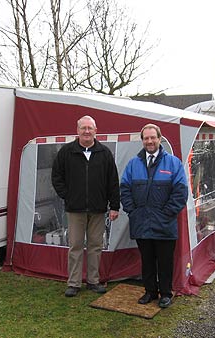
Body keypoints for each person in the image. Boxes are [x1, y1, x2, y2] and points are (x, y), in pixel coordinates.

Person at [120, 123, 188, 308]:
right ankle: (150, 291)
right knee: (147, 260)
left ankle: (165, 293)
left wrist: (167, 213)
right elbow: (125, 188)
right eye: (146, 138)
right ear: (142, 141)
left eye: (152, 137)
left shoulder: (173, 163)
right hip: (141, 222)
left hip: (164, 223)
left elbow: (181, 192)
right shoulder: (134, 164)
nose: (149, 141)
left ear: (159, 138)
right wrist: (132, 211)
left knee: (165, 262)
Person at [52, 115, 120, 297]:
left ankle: (93, 281)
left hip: (98, 209)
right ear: (77, 130)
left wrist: (114, 206)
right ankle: (73, 283)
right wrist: (68, 196)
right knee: (75, 245)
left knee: (95, 246)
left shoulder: (104, 154)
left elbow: (113, 181)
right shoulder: (66, 152)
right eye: (84, 128)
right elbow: (56, 177)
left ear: (96, 131)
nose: (87, 131)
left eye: (90, 128)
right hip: (75, 210)